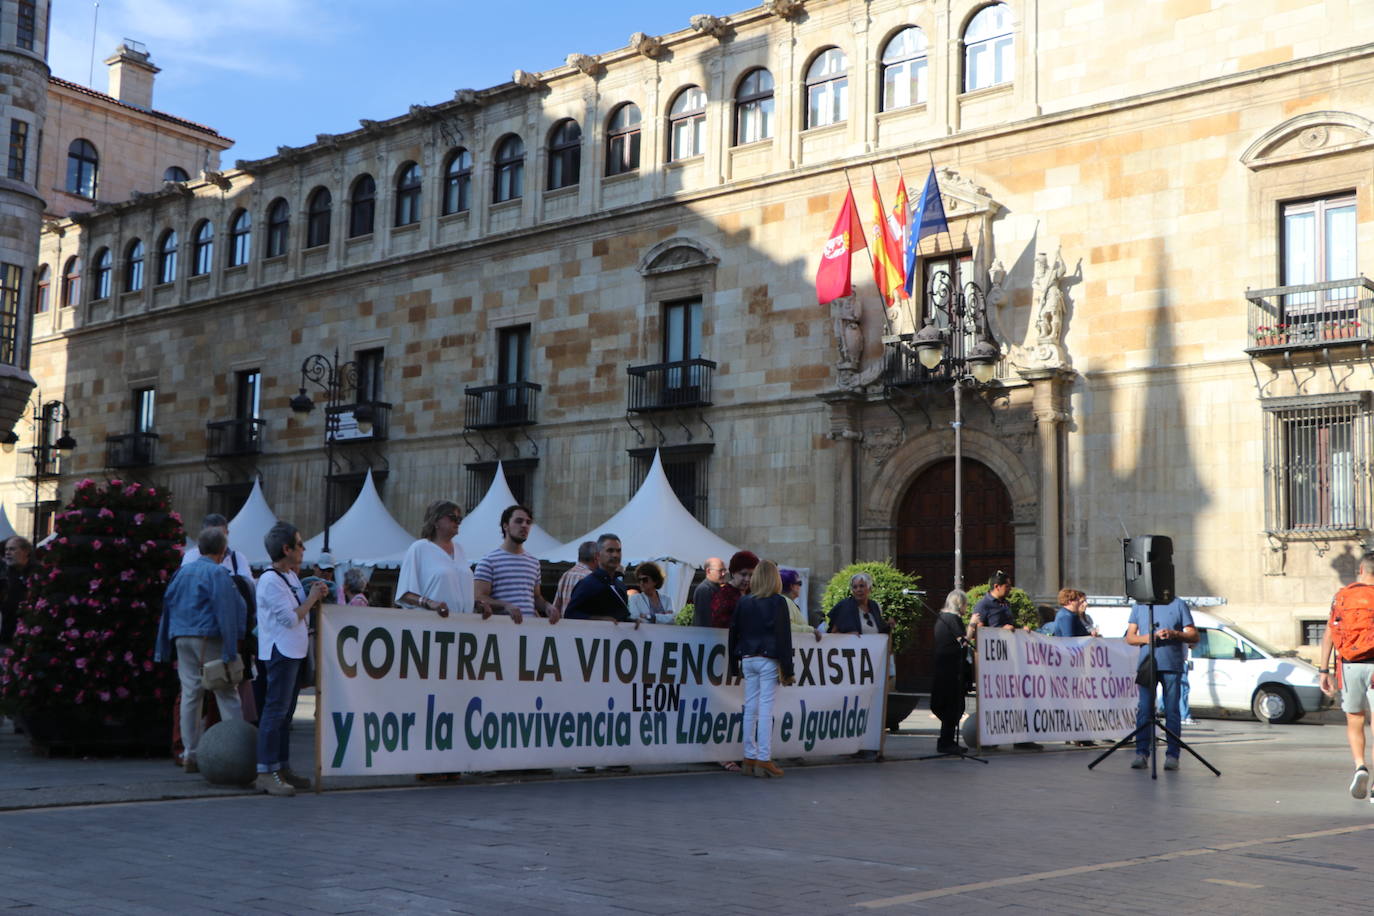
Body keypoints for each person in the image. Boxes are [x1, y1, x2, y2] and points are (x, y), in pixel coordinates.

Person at [155, 527, 247, 773]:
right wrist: (231, 648)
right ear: (222, 550)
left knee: (190, 694)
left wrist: (163, 644)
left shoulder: (182, 572)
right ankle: (236, 749)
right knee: (226, 691)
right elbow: (225, 610)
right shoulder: (217, 573)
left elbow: (168, 606)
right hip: (208, 636)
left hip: (181, 636)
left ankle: (189, 753)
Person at [255, 521, 329, 796]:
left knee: (285, 715)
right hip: (280, 650)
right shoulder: (269, 580)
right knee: (275, 712)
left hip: (293, 650)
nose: (303, 548)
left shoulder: (289, 576)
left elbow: (299, 607)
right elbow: (289, 617)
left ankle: (281, 766)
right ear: (286, 549)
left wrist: (314, 594)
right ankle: (265, 770)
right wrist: (311, 599)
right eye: (299, 543)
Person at [729, 560, 794, 778]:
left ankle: (749, 756)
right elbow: (784, 637)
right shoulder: (778, 602)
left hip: (747, 657)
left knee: (750, 708)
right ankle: (764, 759)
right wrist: (788, 668)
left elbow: (733, 632)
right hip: (768, 657)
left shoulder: (744, 601)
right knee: (765, 709)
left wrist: (732, 664)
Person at [1318, 552, 1374, 801]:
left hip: (1350, 665)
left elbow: (1330, 633)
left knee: (1355, 719)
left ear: (1362, 569)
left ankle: (1360, 766)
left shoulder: (1342, 596)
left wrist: (1323, 670)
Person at [966, 571, 1042, 752]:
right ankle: (988, 738)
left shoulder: (1005, 603)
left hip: (1010, 659)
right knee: (994, 701)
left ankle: (1022, 738)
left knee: (1019, 698)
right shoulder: (983, 605)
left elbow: (1008, 626)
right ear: (996, 586)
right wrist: (1001, 630)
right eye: (1007, 586)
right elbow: (978, 631)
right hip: (993, 662)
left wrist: (1019, 630)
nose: (1010, 589)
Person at [1125, 595, 1197, 771]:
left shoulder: (1178, 603)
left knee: (1172, 710)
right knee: (1144, 709)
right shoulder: (1140, 605)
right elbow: (1130, 638)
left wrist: (1174, 634)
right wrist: (1148, 638)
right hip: (1147, 664)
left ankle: (1173, 755)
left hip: (1172, 664)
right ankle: (1141, 753)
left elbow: (1194, 635)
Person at [474, 504, 555, 624]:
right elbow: (478, 597)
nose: (524, 525)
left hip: (529, 632)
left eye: (528, 522)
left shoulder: (534, 562)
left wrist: (548, 606)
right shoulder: (489, 561)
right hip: (502, 631)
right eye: (519, 521)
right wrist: (506, 605)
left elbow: (536, 597)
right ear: (505, 526)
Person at [396, 500, 476, 617]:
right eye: (452, 517)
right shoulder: (419, 548)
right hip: (432, 625)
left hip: (463, 626)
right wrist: (429, 603)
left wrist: (478, 604)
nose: (458, 522)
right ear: (435, 520)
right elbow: (404, 594)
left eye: (459, 519)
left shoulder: (460, 549)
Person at [930, 589, 970, 754]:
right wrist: (972, 625)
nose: (966, 608)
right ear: (960, 604)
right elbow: (963, 642)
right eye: (965, 604)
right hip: (952, 670)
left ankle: (947, 741)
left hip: (942, 668)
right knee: (953, 707)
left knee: (949, 706)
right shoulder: (953, 619)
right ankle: (946, 742)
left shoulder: (941, 618)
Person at [565, 534, 633, 622]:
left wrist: (633, 623)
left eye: (618, 551)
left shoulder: (620, 586)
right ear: (597, 556)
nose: (615, 555)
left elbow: (621, 617)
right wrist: (599, 619)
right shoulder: (587, 584)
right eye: (610, 551)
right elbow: (570, 614)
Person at [827, 571, 892, 636]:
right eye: (855, 587)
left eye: (862, 586)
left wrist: (889, 625)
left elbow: (881, 632)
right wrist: (847, 635)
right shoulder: (844, 606)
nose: (858, 590)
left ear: (869, 588)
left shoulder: (875, 606)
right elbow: (832, 634)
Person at [0, 535, 33, 648]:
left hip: (29, 637)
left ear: (25, 551)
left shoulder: (37, 573)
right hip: (6, 635)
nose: (8, 553)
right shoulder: (5, 574)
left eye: (12, 549)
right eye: (6, 550)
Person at [710, 551, 758, 629]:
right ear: (733, 573)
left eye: (751, 575)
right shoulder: (723, 594)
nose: (747, 579)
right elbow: (719, 624)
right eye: (743, 574)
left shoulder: (752, 592)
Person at [553, 541, 597, 616]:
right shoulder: (591, 578)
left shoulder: (566, 575)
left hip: (565, 625)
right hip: (583, 625)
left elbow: (556, 607)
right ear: (596, 558)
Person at [780, 568, 821, 641]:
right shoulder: (786, 602)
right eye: (799, 583)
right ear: (791, 586)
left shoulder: (787, 602)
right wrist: (811, 630)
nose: (800, 587)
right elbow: (788, 627)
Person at [692, 557, 726, 628]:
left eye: (724, 570)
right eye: (720, 571)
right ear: (708, 571)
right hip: (708, 636)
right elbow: (705, 620)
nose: (723, 574)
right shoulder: (704, 590)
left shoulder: (716, 588)